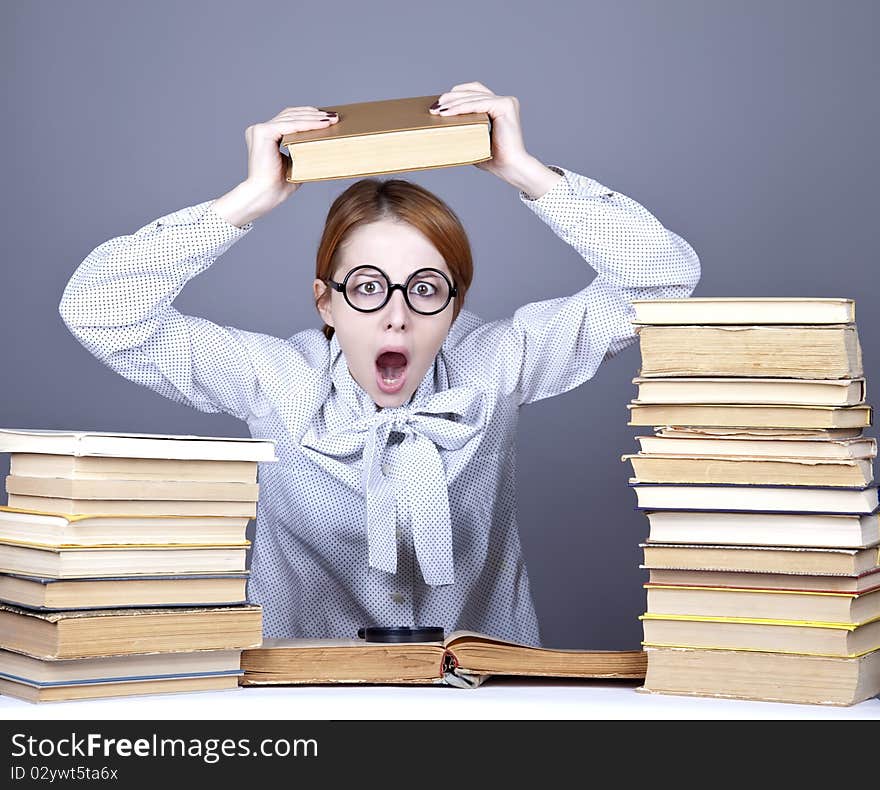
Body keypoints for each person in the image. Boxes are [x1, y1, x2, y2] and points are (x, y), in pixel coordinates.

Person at [59, 81, 701, 647]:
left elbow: (664, 279)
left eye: (425, 288)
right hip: (300, 704)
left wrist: (525, 172)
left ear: (456, 308)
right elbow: (98, 309)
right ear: (327, 304)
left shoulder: (496, 364)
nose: (397, 316)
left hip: (480, 705)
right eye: (367, 286)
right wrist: (249, 200)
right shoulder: (277, 380)